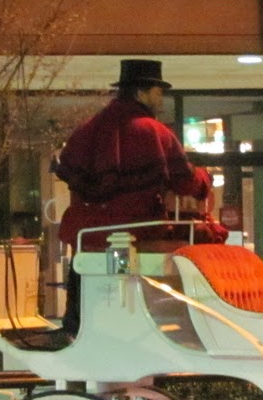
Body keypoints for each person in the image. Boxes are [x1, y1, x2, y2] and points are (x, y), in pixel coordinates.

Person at [52, 58, 225, 334]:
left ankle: (75, 321)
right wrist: (205, 179)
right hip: (139, 229)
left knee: (83, 261)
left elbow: (74, 179)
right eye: (158, 92)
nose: (161, 98)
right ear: (141, 92)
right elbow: (185, 183)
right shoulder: (154, 132)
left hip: (91, 231)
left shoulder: (88, 130)